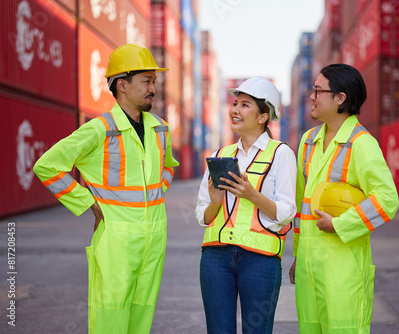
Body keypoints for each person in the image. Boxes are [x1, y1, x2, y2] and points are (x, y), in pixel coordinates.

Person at [33, 43, 179, 333]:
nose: (153, 88)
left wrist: (158, 190)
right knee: (110, 314)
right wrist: (86, 202)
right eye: (147, 81)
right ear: (122, 85)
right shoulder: (99, 128)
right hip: (116, 240)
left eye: (154, 81)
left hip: (154, 237)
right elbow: (47, 165)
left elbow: (169, 165)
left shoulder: (160, 127)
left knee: (142, 313)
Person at [289, 64, 399, 333]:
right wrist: (297, 255)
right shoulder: (307, 141)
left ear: (340, 98)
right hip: (308, 267)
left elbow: (387, 199)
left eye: (318, 90)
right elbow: (301, 203)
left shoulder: (361, 143)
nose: (312, 96)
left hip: (343, 269)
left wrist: (341, 224)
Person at [195, 76, 297, 334]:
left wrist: (252, 195)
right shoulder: (221, 155)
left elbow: (287, 212)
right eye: (235, 103)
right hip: (216, 258)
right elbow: (203, 215)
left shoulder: (280, 153)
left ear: (263, 117)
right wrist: (216, 202)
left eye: (244, 105)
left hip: (260, 260)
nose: (235, 110)